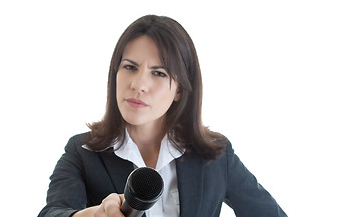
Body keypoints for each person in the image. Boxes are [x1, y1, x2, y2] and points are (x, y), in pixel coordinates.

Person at [38, 15, 287, 217]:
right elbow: (52, 212)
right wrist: (91, 216)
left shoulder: (216, 155)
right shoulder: (82, 151)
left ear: (179, 89)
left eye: (158, 73)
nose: (139, 84)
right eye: (129, 67)